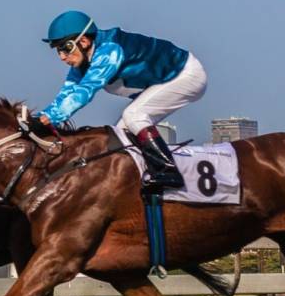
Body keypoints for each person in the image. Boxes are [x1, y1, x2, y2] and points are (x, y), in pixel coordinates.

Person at [35, 10, 207, 192]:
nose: (62, 56)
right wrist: (40, 118)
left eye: (65, 48)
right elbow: (67, 93)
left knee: (134, 115)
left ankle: (169, 171)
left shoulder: (109, 51)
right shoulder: (82, 63)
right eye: (58, 50)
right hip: (163, 81)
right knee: (122, 135)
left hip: (186, 75)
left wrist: (50, 119)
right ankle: (140, 184)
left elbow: (85, 90)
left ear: (83, 41)